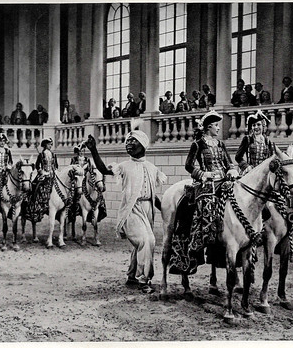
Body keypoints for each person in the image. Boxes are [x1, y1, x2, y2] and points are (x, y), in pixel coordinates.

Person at [84, 129, 167, 294]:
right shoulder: (124, 166)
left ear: (143, 144)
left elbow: (153, 195)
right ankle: (144, 280)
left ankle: (131, 276)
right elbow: (103, 169)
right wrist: (94, 150)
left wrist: (165, 210)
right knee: (147, 240)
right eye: (127, 142)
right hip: (131, 210)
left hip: (147, 210)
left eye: (133, 141)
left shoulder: (151, 168)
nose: (128, 144)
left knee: (140, 245)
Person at [169, 111, 238, 275]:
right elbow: (189, 165)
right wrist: (203, 174)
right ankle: (201, 239)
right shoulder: (198, 144)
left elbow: (229, 163)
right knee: (205, 205)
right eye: (216, 125)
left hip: (224, 181)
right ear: (208, 127)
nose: (218, 128)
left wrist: (233, 171)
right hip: (206, 183)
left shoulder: (220, 144)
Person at [23, 137, 59, 224]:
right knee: (35, 186)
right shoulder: (41, 155)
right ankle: (34, 205)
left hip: (52, 174)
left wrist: (54, 171)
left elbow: (56, 165)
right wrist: (41, 171)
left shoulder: (53, 155)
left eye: (51, 144)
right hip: (43, 175)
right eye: (49, 144)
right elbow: (37, 166)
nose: (50, 145)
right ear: (45, 145)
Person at [235, 110, 275, 175]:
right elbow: (238, 157)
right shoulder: (247, 139)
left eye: (258, 125)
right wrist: (246, 166)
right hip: (251, 172)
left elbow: (271, 158)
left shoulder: (267, 141)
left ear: (263, 126)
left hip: (263, 173)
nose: (256, 127)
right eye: (254, 125)